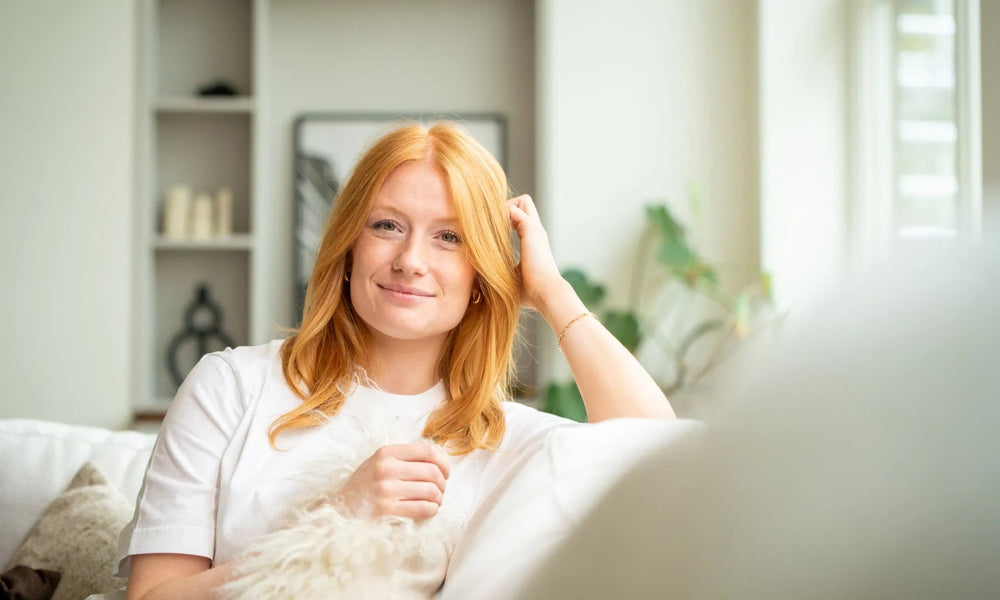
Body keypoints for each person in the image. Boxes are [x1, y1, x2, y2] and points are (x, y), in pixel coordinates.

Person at [118, 121, 674, 600]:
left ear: (481, 274)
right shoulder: (231, 386)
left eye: (449, 237)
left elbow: (659, 450)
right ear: (348, 247)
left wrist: (552, 293)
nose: (410, 260)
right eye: (387, 225)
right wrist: (337, 516)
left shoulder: (502, 438)